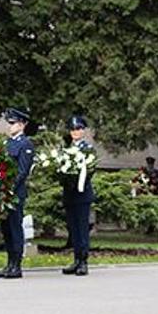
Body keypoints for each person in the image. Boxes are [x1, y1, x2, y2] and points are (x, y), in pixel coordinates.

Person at [0, 108, 35, 279]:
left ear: (22, 124)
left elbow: (22, 171)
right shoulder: (7, 144)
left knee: (15, 228)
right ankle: (9, 263)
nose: (10, 126)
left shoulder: (26, 144)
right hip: (4, 193)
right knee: (6, 230)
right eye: (9, 123)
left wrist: (9, 187)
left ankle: (17, 265)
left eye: (13, 123)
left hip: (15, 193)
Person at [59, 115, 95, 276]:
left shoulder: (88, 149)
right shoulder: (66, 149)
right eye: (73, 129)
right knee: (73, 228)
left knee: (82, 228)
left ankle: (83, 261)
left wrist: (77, 181)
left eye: (78, 129)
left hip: (82, 193)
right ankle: (76, 259)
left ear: (83, 131)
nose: (75, 132)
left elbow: (90, 171)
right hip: (69, 193)